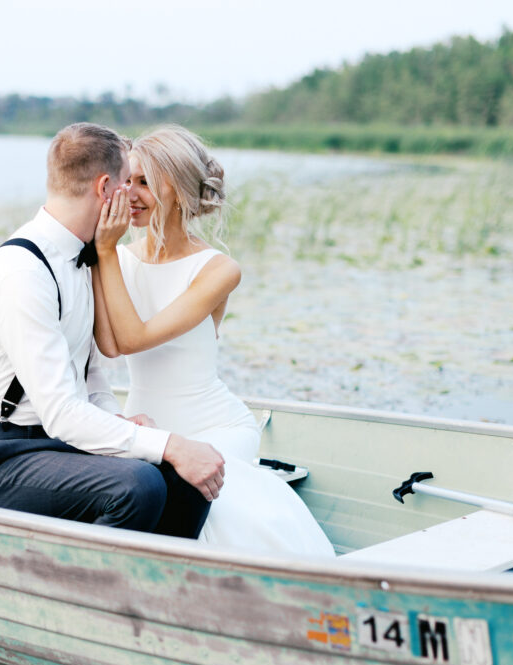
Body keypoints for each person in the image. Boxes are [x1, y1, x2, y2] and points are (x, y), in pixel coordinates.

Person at [0, 122, 225, 539]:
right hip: (0, 456)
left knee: (187, 481)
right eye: (125, 183)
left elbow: (90, 374)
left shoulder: (85, 258)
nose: (132, 197)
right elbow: (62, 412)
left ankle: (155, 592)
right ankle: (86, 591)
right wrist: (170, 444)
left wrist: (119, 421)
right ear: (104, 188)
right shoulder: (21, 272)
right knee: (137, 485)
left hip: (59, 445)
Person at [92, 124, 335, 557]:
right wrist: (108, 256)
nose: (129, 192)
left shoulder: (217, 269)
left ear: (180, 190)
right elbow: (108, 346)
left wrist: (106, 251)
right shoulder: (117, 260)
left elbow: (132, 339)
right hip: (146, 423)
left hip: (215, 426)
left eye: (144, 182)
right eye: (126, 179)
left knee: (201, 496)